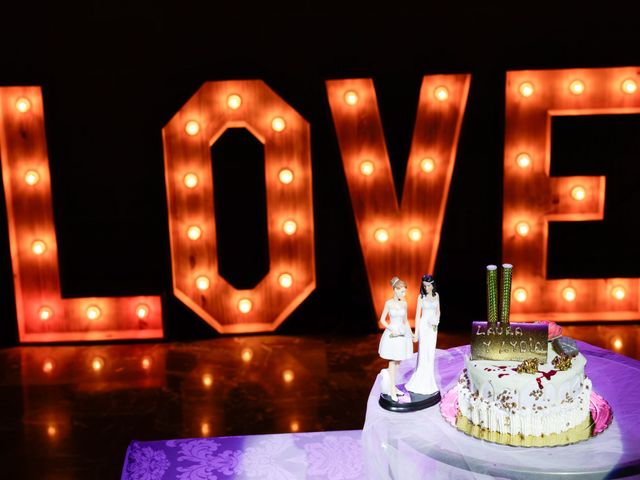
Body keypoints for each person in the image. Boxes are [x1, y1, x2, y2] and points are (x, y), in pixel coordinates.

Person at [378, 276, 414, 401]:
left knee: (398, 361)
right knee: (393, 360)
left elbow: (406, 321)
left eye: (405, 291)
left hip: (402, 334)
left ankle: (392, 385)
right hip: (392, 334)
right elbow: (382, 319)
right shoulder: (388, 303)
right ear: (395, 290)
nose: (404, 294)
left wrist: (411, 333)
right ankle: (392, 389)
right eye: (402, 291)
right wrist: (390, 328)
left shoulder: (404, 303)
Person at [405, 274, 440, 395]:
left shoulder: (437, 296)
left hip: (433, 328)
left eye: (428, 285)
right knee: (424, 351)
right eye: (424, 286)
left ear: (432, 285)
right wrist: (416, 332)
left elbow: (438, 311)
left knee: (431, 352)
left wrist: (437, 320)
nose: (426, 288)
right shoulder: (421, 297)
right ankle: (421, 379)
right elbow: (417, 316)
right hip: (424, 327)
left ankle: (429, 379)